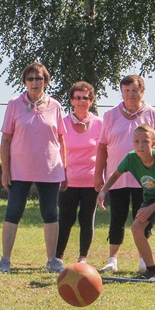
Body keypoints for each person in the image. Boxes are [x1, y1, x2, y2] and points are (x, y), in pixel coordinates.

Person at [0, 62, 67, 273]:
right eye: (30, 79)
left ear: (46, 81)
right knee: (13, 212)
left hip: (50, 169)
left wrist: (65, 169)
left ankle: (52, 260)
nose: (35, 82)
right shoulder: (14, 104)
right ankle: (5, 259)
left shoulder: (55, 105)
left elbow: (62, 140)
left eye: (39, 78)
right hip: (20, 170)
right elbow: (6, 140)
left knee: (50, 213)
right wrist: (5, 169)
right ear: (25, 82)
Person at [94, 75, 155, 273]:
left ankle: (144, 260)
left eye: (134, 90)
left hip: (146, 178)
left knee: (142, 218)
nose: (131, 95)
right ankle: (112, 260)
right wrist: (98, 174)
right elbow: (101, 147)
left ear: (142, 91)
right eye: (126, 91)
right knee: (117, 217)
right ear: (122, 92)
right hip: (118, 177)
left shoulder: (152, 114)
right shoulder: (110, 115)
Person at [96, 124, 155, 281]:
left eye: (145, 141)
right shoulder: (131, 158)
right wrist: (103, 191)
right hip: (151, 196)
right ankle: (150, 270)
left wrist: (151, 209)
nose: (140, 146)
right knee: (137, 228)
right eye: (136, 141)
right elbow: (116, 175)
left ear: (153, 143)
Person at [55, 81, 100, 265]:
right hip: (67, 181)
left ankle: (83, 257)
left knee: (86, 219)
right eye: (78, 98)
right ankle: (57, 257)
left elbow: (105, 152)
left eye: (86, 98)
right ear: (72, 101)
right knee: (65, 219)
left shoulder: (100, 124)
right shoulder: (63, 124)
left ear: (91, 100)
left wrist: (102, 177)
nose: (82, 101)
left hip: (91, 181)